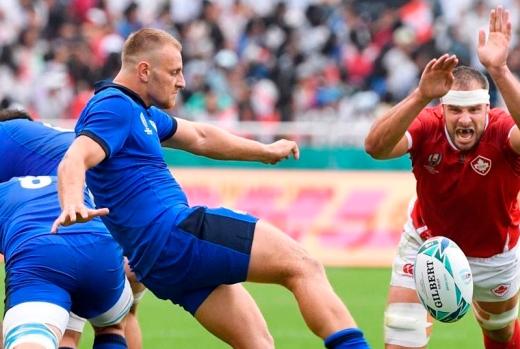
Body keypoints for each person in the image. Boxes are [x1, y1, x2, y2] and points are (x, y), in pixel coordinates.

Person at [52, 28, 370, 349]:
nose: (182, 82)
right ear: (144, 71)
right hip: (176, 235)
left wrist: (264, 151)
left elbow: (201, 137)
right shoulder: (114, 106)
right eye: (174, 71)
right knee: (303, 266)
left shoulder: (139, 111)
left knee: (258, 343)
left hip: (159, 264)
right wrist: (71, 202)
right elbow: (74, 158)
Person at [364, 7, 520, 349]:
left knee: (500, 333)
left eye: (474, 110)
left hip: (493, 254)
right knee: (402, 333)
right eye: (455, 109)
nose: (465, 119)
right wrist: (420, 95)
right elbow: (375, 147)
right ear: (442, 109)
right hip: (426, 243)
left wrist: (500, 69)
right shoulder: (427, 123)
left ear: (487, 109)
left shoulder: (502, 129)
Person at [0, 109, 145, 349]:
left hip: (63, 233)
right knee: (117, 320)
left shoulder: (8, 146)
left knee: (50, 328)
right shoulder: (53, 142)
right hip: (120, 224)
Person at [0, 175, 133, 349]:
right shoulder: (71, 183)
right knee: (111, 327)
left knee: (33, 337)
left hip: (40, 256)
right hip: (100, 251)